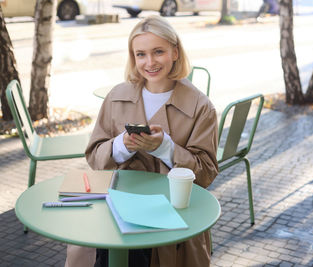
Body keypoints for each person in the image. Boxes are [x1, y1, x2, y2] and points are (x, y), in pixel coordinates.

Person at [64, 15, 219, 267]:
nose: (150, 62)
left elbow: (206, 173)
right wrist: (122, 145)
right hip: (116, 205)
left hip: (171, 215)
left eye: (158, 51)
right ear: (133, 57)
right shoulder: (116, 96)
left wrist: (165, 148)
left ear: (175, 52)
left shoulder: (201, 106)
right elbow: (94, 155)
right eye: (141, 54)